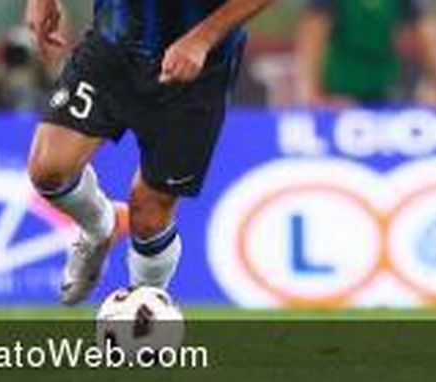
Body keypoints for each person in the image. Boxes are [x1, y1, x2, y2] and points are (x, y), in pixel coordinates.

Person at [25, 0, 274, 305]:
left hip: (198, 69)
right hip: (113, 44)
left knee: (149, 216)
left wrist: (202, 39)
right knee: (48, 169)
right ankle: (101, 224)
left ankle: (142, 313)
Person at [297, 0, 436, 107]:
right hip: (339, 91)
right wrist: (315, 97)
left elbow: (430, 40)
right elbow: (311, 45)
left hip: (386, 89)